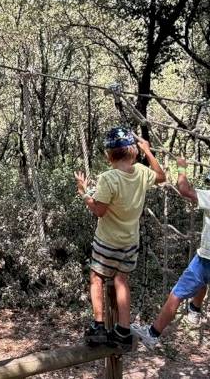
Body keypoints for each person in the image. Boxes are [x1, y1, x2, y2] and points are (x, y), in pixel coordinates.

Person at [133, 159, 210, 347]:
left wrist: (180, 167)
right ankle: (195, 310)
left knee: (177, 294)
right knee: (202, 281)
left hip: (208, 260)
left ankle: (152, 334)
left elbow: (184, 189)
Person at [74, 127, 166, 351]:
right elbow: (162, 177)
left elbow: (99, 211)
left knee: (96, 277)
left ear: (109, 155)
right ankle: (123, 331)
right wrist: (149, 151)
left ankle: (99, 327)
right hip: (130, 242)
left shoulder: (108, 178)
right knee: (121, 280)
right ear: (133, 152)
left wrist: (84, 193)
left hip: (107, 242)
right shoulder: (142, 172)